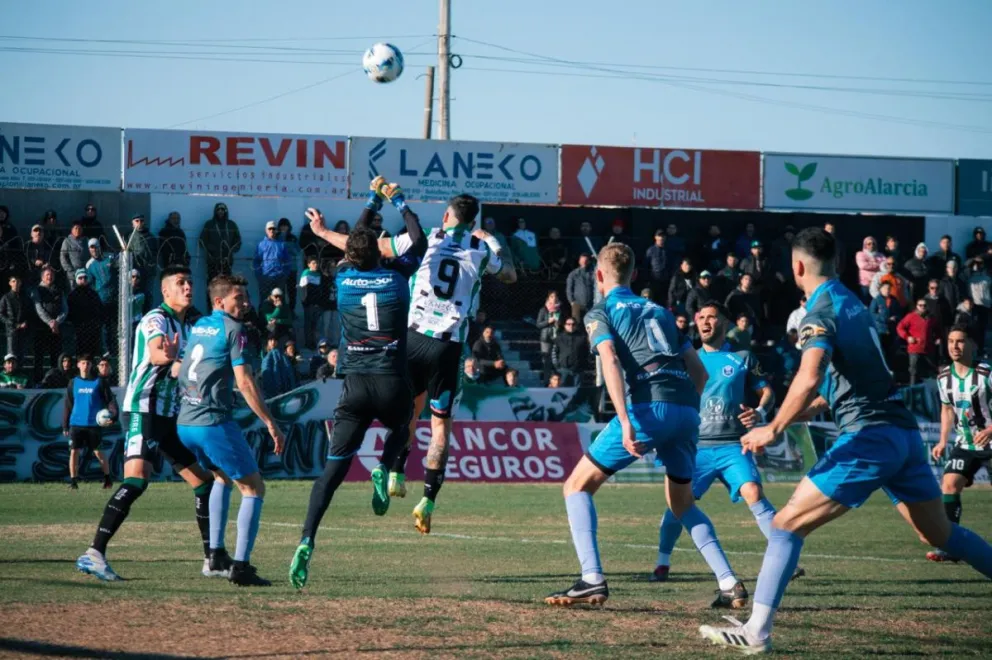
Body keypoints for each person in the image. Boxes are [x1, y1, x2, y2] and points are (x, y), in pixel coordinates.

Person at [698, 228, 992, 654]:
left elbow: (810, 374)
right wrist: (776, 415)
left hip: (868, 438)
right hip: (902, 435)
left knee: (784, 527)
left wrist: (774, 428)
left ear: (797, 266)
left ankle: (756, 631)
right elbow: (827, 394)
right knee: (940, 534)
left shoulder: (820, 310)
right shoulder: (853, 303)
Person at [308, 181, 514, 536]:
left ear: (447, 215)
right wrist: (492, 240)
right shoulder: (481, 248)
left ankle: (393, 470)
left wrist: (323, 231)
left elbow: (368, 247)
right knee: (440, 428)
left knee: (409, 412)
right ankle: (428, 499)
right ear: (472, 221)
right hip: (448, 346)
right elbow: (509, 273)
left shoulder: (429, 238)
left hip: (412, 338)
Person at [546, 243, 740, 610]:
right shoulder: (661, 311)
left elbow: (611, 362)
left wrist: (624, 421)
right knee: (682, 504)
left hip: (649, 407)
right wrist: (685, 415)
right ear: (634, 275)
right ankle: (729, 582)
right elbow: (698, 371)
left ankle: (591, 578)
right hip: (686, 408)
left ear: (598, 276)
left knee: (576, 486)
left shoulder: (600, 311)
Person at [76, 266, 231, 583]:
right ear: (166, 291)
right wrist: (173, 357)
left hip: (169, 415)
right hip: (143, 409)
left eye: (190, 282)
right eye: (181, 283)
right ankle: (94, 553)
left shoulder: (190, 324)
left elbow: (178, 368)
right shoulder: (155, 319)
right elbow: (158, 354)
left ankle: (211, 560)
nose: (188, 287)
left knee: (204, 483)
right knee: (137, 480)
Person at [288, 216, 414, 590]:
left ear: (350, 256)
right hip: (391, 381)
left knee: (331, 474)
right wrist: (394, 203)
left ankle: (307, 538)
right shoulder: (398, 280)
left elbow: (352, 246)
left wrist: (326, 229)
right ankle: (383, 466)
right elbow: (415, 244)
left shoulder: (342, 279)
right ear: (378, 252)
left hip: (354, 385)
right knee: (402, 429)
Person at [652, 302, 787, 590]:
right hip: (695, 448)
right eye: (701, 318)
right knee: (677, 505)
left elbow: (767, 392)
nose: (705, 322)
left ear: (724, 323)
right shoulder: (687, 359)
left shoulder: (742, 357)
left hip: (731, 445)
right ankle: (662, 561)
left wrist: (760, 412)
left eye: (712, 317)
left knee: (753, 492)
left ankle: (784, 554)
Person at [176, 274, 284, 586]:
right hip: (212, 422)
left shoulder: (198, 327)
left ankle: (215, 556)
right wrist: (270, 423)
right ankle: (241, 567)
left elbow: (181, 370)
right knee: (253, 488)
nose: (247, 303)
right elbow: (245, 382)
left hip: (186, 421)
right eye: (239, 298)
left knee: (221, 478)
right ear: (220, 301)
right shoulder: (233, 329)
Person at [928, 326, 992, 562]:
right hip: (966, 443)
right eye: (951, 341)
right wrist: (943, 440)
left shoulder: (986, 374)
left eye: (961, 342)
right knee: (949, 483)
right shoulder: (944, 378)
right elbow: (946, 410)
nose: (955, 346)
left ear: (972, 345)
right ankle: (950, 546)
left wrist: (989, 429)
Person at [63, 354, 116, 490]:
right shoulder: (73, 382)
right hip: (76, 424)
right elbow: (68, 405)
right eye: (83, 363)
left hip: (93, 425)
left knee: (98, 452)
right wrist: (65, 424)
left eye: (88, 363)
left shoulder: (99, 382)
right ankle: (74, 481)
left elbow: (110, 401)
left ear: (92, 366)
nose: (85, 365)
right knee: (74, 452)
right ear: (78, 365)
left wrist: (113, 416)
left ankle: (107, 479)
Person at [198, 202, 242, 308]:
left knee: (227, 287)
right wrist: (212, 251)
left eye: (223, 210)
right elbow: (202, 241)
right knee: (212, 286)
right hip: (213, 262)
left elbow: (238, 241)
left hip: (227, 262)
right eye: (219, 210)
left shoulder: (231, 224)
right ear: (215, 211)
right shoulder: (209, 224)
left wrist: (231, 250)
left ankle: (226, 310)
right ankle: (211, 309)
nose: (221, 212)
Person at [31, 267, 67, 384]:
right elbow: (39, 309)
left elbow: (65, 309)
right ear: (42, 277)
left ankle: (55, 380)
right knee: (39, 356)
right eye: (47, 275)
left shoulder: (59, 290)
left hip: (56, 329)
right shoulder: (37, 290)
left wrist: (57, 322)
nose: (49, 277)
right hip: (41, 328)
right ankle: (38, 381)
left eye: (51, 275)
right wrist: (50, 322)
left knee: (55, 355)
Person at [897, 299, 942, 385]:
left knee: (931, 369)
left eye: (924, 305)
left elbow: (937, 329)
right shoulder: (911, 316)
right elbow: (900, 327)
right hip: (915, 347)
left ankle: (934, 389)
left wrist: (938, 337)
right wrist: (907, 337)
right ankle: (913, 388)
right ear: (917, 306)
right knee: (913, 370)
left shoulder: (931, 318)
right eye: (920, 305)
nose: (922, 307)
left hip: (928, 347)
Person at [86, 239, 116, 352]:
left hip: (116, 296)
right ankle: (107, 349)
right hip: (102, 299)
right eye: (91, 248)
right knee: (105, 326)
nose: (94, 249)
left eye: (95, 247)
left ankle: (119, 348)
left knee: (119, 324)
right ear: (89, 249)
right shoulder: (89, 265)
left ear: (99, 247)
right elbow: (90, 282)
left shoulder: (110, 257)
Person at [253, 221, 292, 304]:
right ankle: (263, 317)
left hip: (279, 277)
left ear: (276, 230)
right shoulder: (261, 245)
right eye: (269, 229)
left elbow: (288, 261)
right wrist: (259, 276)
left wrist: (284, 274)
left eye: (273, 229)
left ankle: (280, 316)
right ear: (266, 230)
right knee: (265, 300)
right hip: (265, 277)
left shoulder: (282, 244)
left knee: (280, 300)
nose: (272, 230)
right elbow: (256, 261)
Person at [68, 270, 103, 358]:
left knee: (91, 354)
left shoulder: (93, 294)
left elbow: (99, 310)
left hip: (91, 329)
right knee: (79, 353)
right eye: (80, 278)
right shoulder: (72, 295)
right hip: (77, 329)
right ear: (76, 280)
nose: (83, 280)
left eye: (85, 278)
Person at [869, 281, 904, 358]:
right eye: (885, 288)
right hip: (880, 329)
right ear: (880, 289)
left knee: (891, 349)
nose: (887, 290)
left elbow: (899, 312)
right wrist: (885, 319)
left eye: (889, 288)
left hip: (892, 328)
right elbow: (872, 314)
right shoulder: (876, 300)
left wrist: (896, 318)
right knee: (882, 349)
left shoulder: (894, 300)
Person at [552, 317, 589, 386]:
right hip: (563, 369)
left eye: (573, 324)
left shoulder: (582, 338)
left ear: (576, 325)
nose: (571, 326)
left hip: (578, 369)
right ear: (565, 325)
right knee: (563, 391)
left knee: (577, 392)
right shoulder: (559, 338)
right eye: (568, 324)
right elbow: (554, 352)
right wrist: (557, 365)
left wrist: (584, 365)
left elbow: (586, 353)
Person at [0, 275, 29, 361]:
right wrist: (15, 325)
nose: (16, 283)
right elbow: (1, 315)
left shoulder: (24, 298)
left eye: (18, 281)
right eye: (13, 281)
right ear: (10, 283)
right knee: (11, 358)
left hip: (23, 332)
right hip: (11, 332)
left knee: (21, 358)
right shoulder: (5, 297)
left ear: (21, 283)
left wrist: (25, 323)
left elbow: (29, 313)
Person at [298, 257, 325, 350]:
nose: (315, 265)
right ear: (308, 264)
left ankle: (315, 342)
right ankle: (308, 343)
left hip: (317, 303)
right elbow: (302, 289)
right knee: (309, 324)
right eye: (313, 263)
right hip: (309, 303)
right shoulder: (306, 273)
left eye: (316, 263)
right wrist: (305, 302)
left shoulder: (319, 274)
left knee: (315, 324)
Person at [128, 214, 157, 297]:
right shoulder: (129, 237)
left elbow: (155, 254)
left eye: (141, 221)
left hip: (148, 272)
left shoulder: (151, 237)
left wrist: (151, 266)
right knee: (134, 296)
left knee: (147, 295)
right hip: (135, 273)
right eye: (137, 221)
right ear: (132, 223)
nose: (139, 223)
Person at [538, 291, 564, 384]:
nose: (554, 298)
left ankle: (558, 382)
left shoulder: (560, 310)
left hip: (557, 337)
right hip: (546, 338)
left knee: (557, 361)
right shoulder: (543, 310)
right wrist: (548, 321)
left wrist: (559, 323)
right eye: (552, 297)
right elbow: (538, 324)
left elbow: (564, 323)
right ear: (548, 298)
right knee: (546, 361)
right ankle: (546, 382)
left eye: (555, 297)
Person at [966, 258, 991, 352]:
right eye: (977, 264)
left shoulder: (987, 277)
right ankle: (973, 348)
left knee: (983, 328)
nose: (978, 265)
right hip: (974, 305)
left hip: (985, 305)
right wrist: (973, 260)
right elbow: (966, 265)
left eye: (980, 263)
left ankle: (981, 348)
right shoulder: (969, 275)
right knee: (974, 327)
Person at [277, 218, 300, 310]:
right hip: (279, 269)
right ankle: (281, 312)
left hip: (292, 268)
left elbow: (298, 251)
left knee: (292, 292)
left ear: (289, 227)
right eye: (281, 225)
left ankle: (291, 312)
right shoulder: (276, 237)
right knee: (280, 292)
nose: (283, 227)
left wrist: (288, 248)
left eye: (285, 225)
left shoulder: (293, 238)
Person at [566, 254, 595, 324]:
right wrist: (571, 301)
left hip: (590, 304)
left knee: (590, 324)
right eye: (582, 261)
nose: (584, 262)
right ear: (579, 262)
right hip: (577, 304)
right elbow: (569, 289)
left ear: (588, 262)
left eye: (586, 261)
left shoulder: (592, 274)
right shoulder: (573, 274)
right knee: (576, 324)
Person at [60, 221, 88, 290]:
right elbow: (63, 257)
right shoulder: (67, 241)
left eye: (79, 228)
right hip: (72, 274)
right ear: (71, 230)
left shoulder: (86, 240)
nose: (78, 230)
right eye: (76, 228)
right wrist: (69, 270)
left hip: (84, 273)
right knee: (73, 293)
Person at [856, 236, 884, 301]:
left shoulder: (880, 255)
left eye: (873, 243)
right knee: (865, 304)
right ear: (865, 245)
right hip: (866, 284)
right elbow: (863, 265)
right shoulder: (860, 254)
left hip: (878, 284)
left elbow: (885, 266)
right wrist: (878, 265)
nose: (872, 245)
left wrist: (870, 264)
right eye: (869, 244)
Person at [644, 230, 669, 302]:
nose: (661, 238)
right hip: (653, 281)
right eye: (659, 236)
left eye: (662, 236)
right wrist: (647, 280)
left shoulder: (668, 250)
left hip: (666, 282)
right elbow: (646, 265)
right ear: (655, 237)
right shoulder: (650, 250)